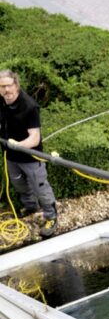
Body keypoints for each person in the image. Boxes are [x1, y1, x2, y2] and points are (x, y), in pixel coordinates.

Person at [0, 69, 58, 237]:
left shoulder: (29, 107)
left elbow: (34, 137)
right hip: (10, 156)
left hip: (30, 157)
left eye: (9, 86)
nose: (6, 91)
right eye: (2, 87)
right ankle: (31, 206)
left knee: (40, 188)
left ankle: (51, 217)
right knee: (19, 184)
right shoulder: (2, 99)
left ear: (16, 85)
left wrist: (18, 145)